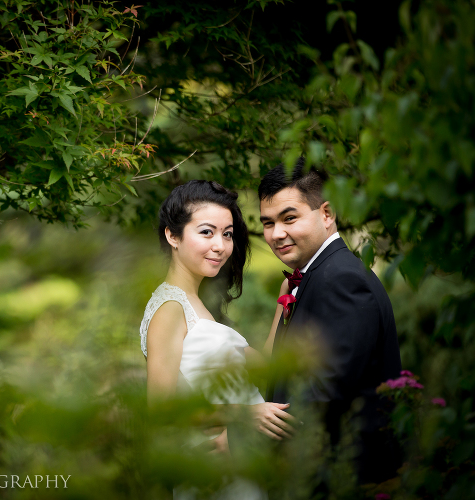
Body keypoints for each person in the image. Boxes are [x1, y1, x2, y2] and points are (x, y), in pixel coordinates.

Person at [140, 180, 295, 497]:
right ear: (172, 235)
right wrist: (246, 413)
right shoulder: (169, 308)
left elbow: (263, 367)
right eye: (207, 232)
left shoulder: (198, 304)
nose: (221, 246)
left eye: (227, 234)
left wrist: (284, 303)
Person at [258, 159, 403, 484]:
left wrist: (250, 433)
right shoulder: (316, 275)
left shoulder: (341, 280)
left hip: (342, 473)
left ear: (326, 213)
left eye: (289, 218)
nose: (276, 234)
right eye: (267, 223)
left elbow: (324, 391)